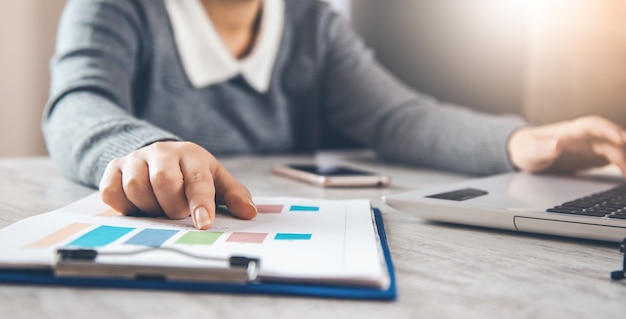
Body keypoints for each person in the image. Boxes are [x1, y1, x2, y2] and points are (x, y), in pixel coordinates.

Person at [43, 0, 626, 230]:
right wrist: (145, 149)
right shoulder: (115, 8)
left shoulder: (312, 24)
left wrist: (519, 142)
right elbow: (77, 102)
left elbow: (400, 117)